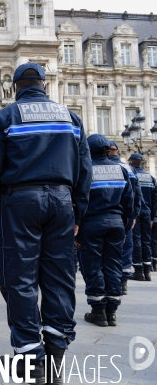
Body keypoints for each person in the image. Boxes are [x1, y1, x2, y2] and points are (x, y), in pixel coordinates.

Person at [0, 63, 92, 383]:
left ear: (15, 88)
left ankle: (30, 358)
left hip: (21, 201)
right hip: (62, 201)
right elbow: (84, 172)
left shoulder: (5, 118)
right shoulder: (71, 118)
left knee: (21, 279)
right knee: (59, 277)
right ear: (44, 85)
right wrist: (78, 213)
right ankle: (55, 354)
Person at [78, 134, 134, 327]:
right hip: (116, 224)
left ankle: (98, 311)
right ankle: (112, 312)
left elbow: (78, 201)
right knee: (113, 265)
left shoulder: (84, 169)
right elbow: (129, 202)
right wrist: (125, 225)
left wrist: (76, 226)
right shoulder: (121, 170)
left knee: (92, 266)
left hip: (91, 224)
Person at [108, 142, 141, 294]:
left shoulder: (92, 166)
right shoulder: (129, 169)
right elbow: (136, 196)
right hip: (124, 216)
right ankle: (123, 281)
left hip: (101, 215)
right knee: (126, 247)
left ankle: (107, 284)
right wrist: (133, 215)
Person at [128, 153, 157, 281]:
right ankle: (147, 270)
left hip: (136, 211)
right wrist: (152, 217)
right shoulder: (150, 178)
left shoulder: (132, 176)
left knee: (136, 240)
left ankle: (138, 271)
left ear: (131, 163)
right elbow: (155, 199)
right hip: (148, 212)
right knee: (147, 241)